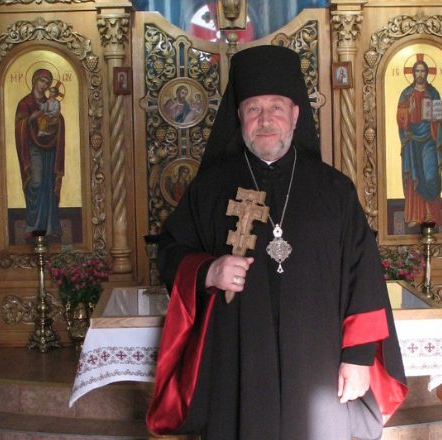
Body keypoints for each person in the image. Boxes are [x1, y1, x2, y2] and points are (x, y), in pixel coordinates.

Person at [147, 45, 407, 440]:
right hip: (237, 366)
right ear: (239, 116)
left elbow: (364, 276)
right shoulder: (210, 188)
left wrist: (357, 359)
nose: (265, 119)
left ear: (295, 115)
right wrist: (209, 271)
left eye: (276, 108)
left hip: (319, 365)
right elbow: (170, 252)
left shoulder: (334, 190)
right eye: (253, 108)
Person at [14, 69, 65, 239]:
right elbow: (21, 125)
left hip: (50, 148)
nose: (44, 85)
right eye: (41, 81)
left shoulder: (50, 102)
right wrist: (32, 118)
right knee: (35, 182)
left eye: (47, 83)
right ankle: (33, 226)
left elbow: (58, 119)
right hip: (33, 148)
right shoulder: (25, 103)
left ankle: (50, 228)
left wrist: (56, 121)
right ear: (34, 81)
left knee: (49, 183)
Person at [396, 58, 442, 227]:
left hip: (429, 139)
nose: (420, 74)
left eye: (423, 71)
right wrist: (407, 113)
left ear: (427, 73)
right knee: (415, 176)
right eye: (417, 71)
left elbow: (441, 117)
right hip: (411, 140)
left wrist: (437, 116)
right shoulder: (406, 94)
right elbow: (399, 118)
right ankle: (416, 216)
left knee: (431, 175)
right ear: (413, 73)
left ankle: (431, 214)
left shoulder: (433, 93)